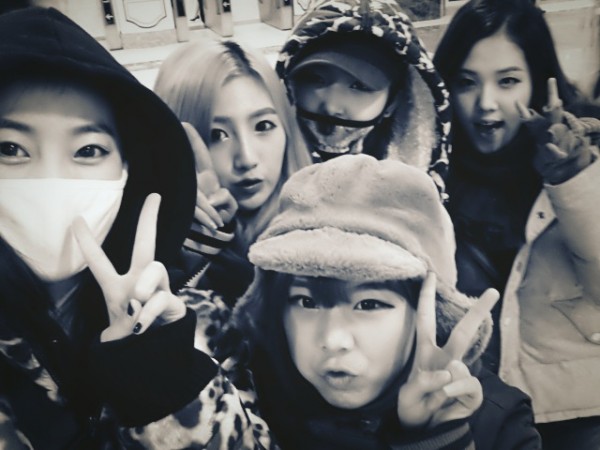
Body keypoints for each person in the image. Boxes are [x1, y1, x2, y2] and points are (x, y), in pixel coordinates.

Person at [0, 7, 275, 448]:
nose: (52, 178)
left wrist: (161, 379)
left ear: (127, 170)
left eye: (88, 150)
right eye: (10, 148)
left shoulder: (195, 321)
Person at [183, 154, 542, 449]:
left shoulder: (499, 424)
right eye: (306, 302)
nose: (334, 338)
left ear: (429, 311)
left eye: (369, 304)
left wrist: (439, 439)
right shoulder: (247, 399)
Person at [433, 0, 600, 447]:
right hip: (475, 410)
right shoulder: (429, 168)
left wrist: (571, 176)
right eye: (466, 82)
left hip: (575, 408)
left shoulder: (583, 151)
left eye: (507, 81)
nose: (486, 104)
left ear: (538, 81)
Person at [154, 39, 312, 302]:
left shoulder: (333, 226)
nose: (247, 159)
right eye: (217, 135)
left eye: (263, 126)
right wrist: (190, 256)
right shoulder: (147, 243)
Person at [276, 0, 452, 193]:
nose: (331, 106)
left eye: (359, 86)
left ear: (393, 102)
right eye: (315, 79)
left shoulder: (412, 192)